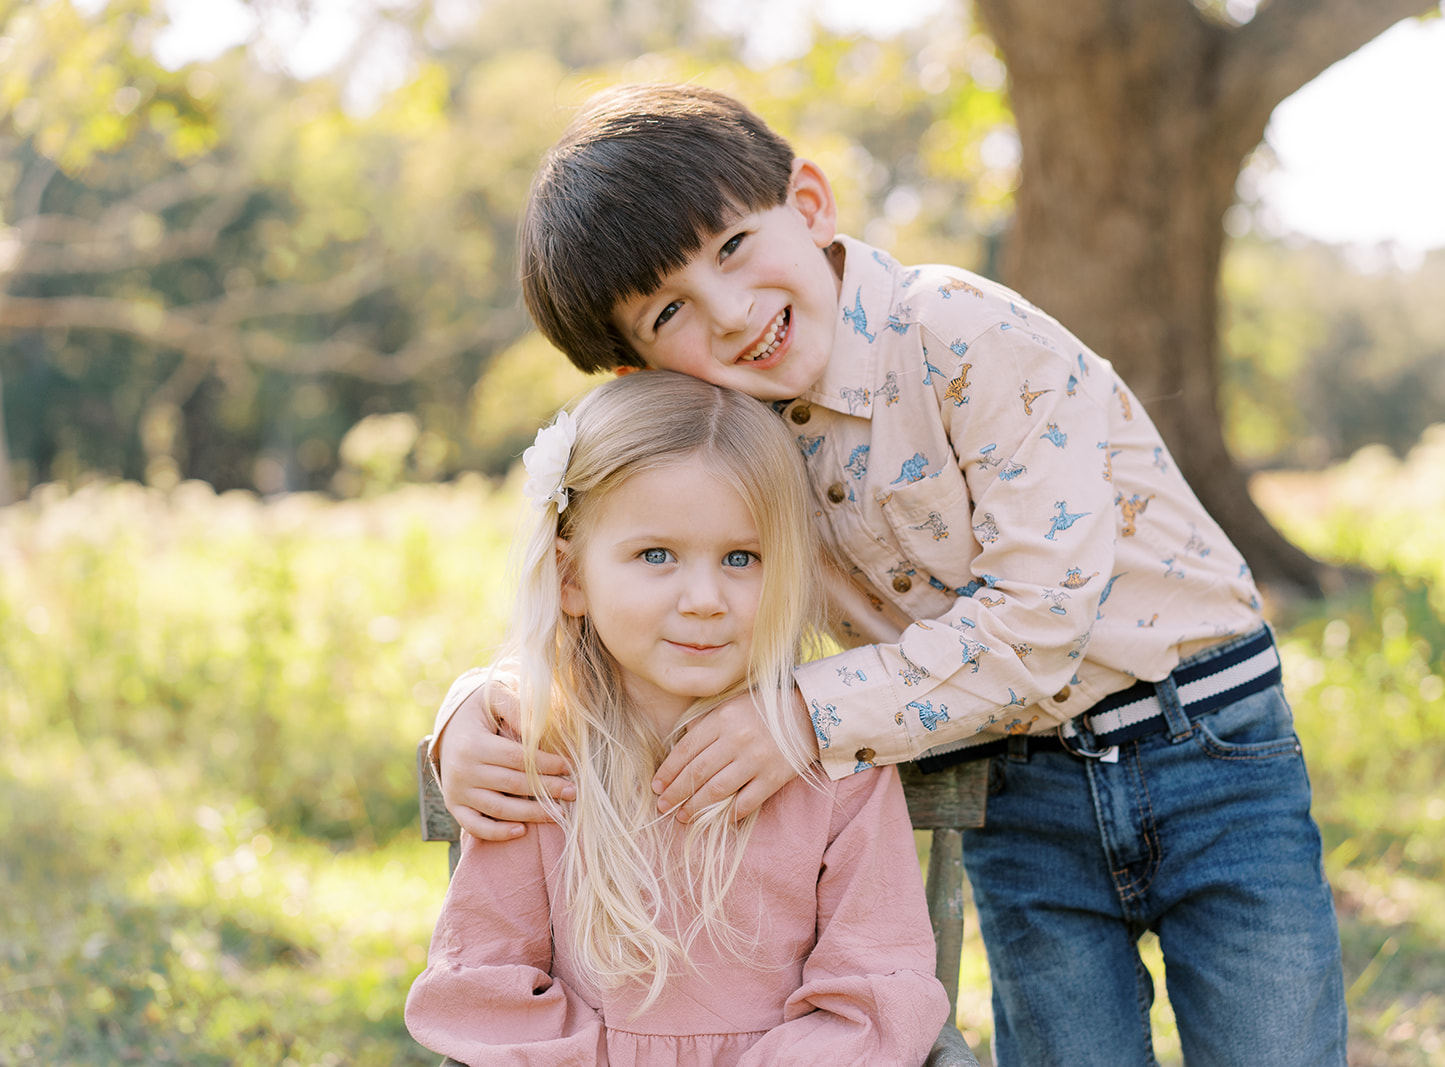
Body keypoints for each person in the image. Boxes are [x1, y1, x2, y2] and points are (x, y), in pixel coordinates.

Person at [432, 83, 1346, 1066]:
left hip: (1203, 738)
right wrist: (480, 704)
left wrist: (804, 713)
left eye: (733, 247)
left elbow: (1040, 622)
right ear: (643, 373)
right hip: (1010, 778)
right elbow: (627, 593)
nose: (731, 313)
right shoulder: (741, 446)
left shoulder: (958, 331)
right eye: (670, 310)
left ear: (810, 204)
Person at [405, 371, 949, 1066]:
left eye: (742, 557)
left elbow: (878, 992)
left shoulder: (837, 763)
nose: (704, 598)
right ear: (571, 578)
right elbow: (485, 986)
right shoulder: (535, 754)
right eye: (656, 555)